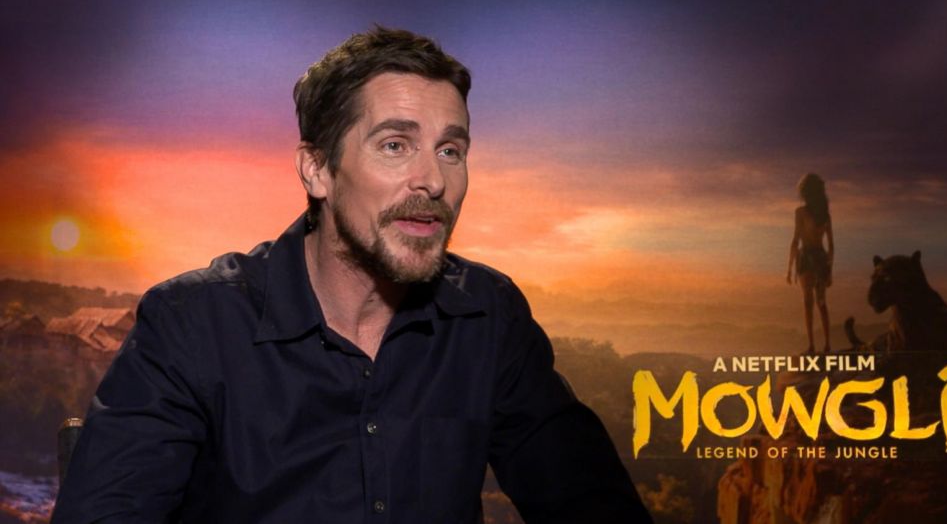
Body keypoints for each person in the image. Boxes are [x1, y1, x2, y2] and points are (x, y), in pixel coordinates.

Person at [52, 27, 650, 523]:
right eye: (395, 145)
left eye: (451, 150)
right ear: (316, 170)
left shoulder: (488, 314)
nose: (433, 180)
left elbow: (592, 502)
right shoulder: (192, 324)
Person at [786, 173, 834, 353]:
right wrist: (829, 269)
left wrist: (789, 268)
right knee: (821, 302)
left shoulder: (800, 213)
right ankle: (827, 345)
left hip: (806, 258)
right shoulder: (825, 215)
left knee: (808, 302)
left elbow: (795, 240)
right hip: (821, 258)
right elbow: (831, 246)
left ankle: (812, 346)